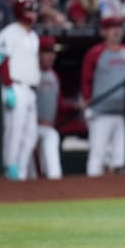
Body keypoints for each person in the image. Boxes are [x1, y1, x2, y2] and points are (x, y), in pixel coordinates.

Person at [81, 16, 125, 177]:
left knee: (119, 157)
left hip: (123, 112)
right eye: (112, 27)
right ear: (103, 31)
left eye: (119, 27)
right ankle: (92, 193)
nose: (116, 31)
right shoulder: (95, 53)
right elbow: (86, 80)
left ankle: (117, 194)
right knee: (98, 154)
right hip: (100, 111)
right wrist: (87, 102)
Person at [0, 0, 40, 180]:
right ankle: (9, 166)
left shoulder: (33, 36)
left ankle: (19, 171)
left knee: (31, 134)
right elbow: (2, 60)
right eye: (29, 10)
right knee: (15, 130)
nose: (33, 14)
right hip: (14, 86)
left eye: (35, 10)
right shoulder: (9, 33)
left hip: (30, 89)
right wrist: (8, 87)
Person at [35, 35, 71, 179]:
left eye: (52, 52)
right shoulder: (30, 74)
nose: (51, 56)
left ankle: (54, 187)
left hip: (48, 126)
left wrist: (76, 104)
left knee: (52, 138)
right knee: (29, 171)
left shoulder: (54, 76)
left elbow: (60, 103)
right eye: (47, 52)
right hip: (30, 127)